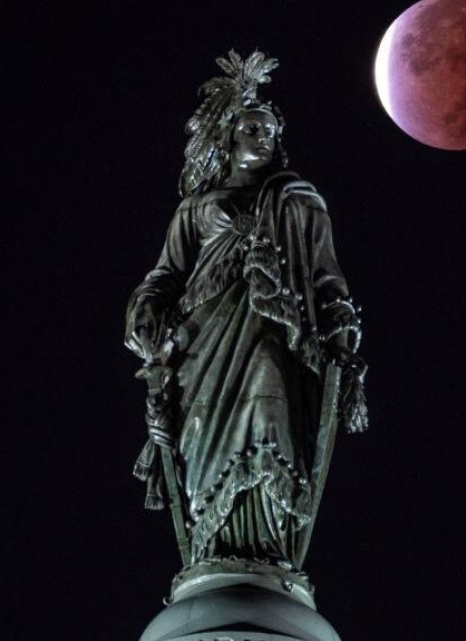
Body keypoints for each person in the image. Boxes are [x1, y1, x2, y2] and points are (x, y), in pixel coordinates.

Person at [124, 51, 367, 575]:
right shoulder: (194, 208)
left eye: (270, 129)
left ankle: (268, 549)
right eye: (251, 127)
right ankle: (212, 552)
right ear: (229, 136)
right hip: (201, 343)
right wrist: (146, 312)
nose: (262, 136)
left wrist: (341, 324)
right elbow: (166, 275)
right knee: (201, 440)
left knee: (269, 396)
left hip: (274, 333)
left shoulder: (300, 202)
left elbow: (326, 274)